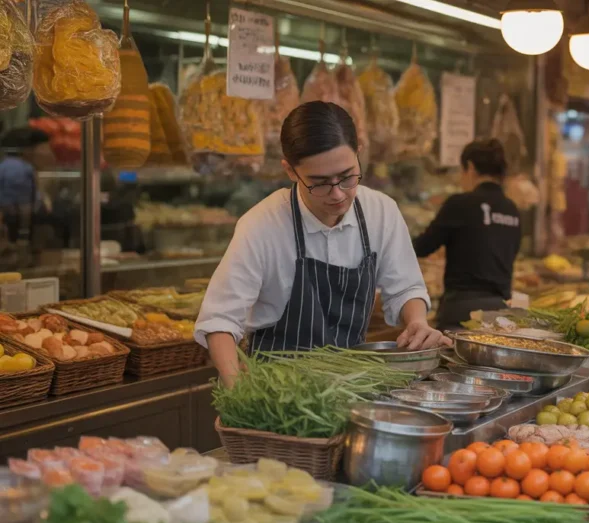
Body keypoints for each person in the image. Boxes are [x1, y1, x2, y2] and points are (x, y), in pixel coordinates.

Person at [196, 101, 447, 387]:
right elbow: (219, 321)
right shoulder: (262, 224)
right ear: (290, 171)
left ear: (359, 153)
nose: (338, 194)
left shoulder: (381, 211)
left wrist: (416, 321)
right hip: (278, 390)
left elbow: (405, 287)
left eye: (347, 176)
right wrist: (243, 394)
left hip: (353, 387)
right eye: (320, 182)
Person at [413, 139, 521, 329]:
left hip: (463, 312)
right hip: (503, 312)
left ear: (470, 167)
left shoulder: (460, 203)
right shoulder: (512, 209)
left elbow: (422, 247)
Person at [0, 127, 50, 243]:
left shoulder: (6, 166)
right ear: (28, 150)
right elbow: (25, 207)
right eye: (44, 148)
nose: (49, 153)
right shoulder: (21, 169)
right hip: (16, 225)